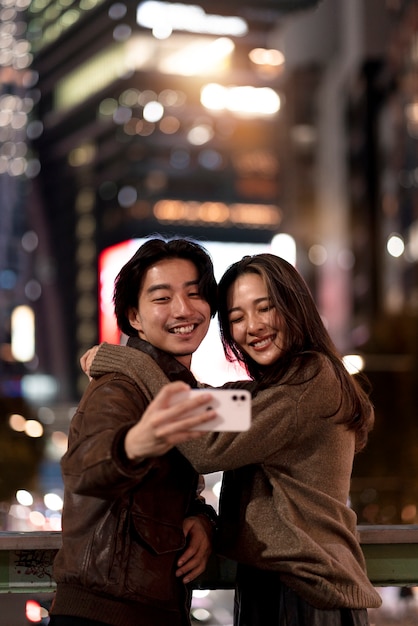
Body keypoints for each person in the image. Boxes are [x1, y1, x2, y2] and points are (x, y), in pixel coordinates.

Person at [84, 253, 382, 625]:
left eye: (265, 308)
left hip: (308, 593)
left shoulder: (312, 379)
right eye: (237, 318)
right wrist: (207, 520)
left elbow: (206, 447)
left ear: (294, 307)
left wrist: (133, 362)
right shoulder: (273, 392)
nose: (252, 327)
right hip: (272, 587)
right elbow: (203, 403)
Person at [49, 237, 221, 626]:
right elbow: (82, 471)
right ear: (134, 317)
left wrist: (202, 517)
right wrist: (132, 444)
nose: (183, 309)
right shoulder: (118, 387)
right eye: (161, 298)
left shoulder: (181, 392)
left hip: (144, 609)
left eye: (195, 294)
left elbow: (246, 414)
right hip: (105, 614)